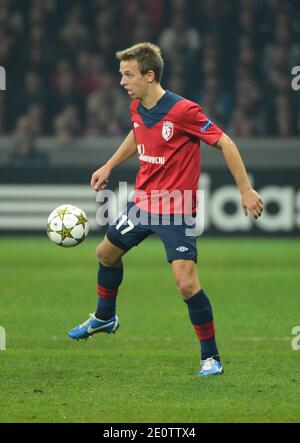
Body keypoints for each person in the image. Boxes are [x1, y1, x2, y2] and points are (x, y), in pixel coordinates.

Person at [68, 42, 263, 377]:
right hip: (143, 203)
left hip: (177, 209)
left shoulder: (184, 111)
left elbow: (225, 142)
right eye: (121, 74)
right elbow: (138, 134)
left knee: (186, 284)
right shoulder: (137, 107)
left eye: (128, 75)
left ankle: (211, 357)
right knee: (105, 254)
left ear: (149, 75)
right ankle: (105, 316)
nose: (122, 81)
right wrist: (110, 165)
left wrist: (245, 189)